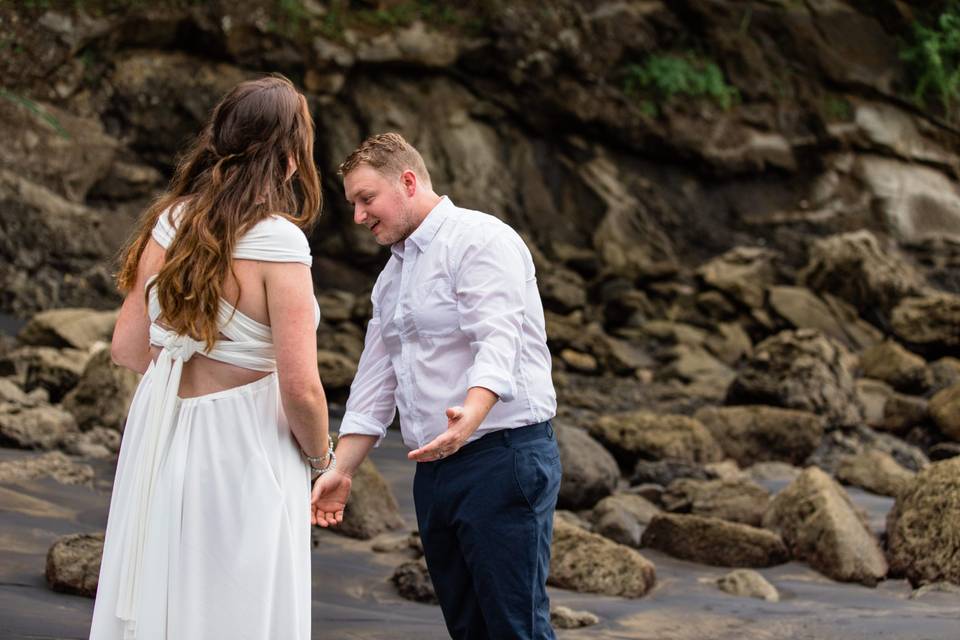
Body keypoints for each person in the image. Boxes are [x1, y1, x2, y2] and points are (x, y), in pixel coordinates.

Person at [90, 75, 332, 640]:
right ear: (291, 156)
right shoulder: (280, 242)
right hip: (244, 445)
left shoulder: (170, 221)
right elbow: (302, 389)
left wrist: (186, 356)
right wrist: (322, 463)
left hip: (162, 428)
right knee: (234, 608)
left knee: (162, 589)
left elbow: (127, 349)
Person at [312, 132, 561, 639]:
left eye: (366, 199)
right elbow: (374, 382)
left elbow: (499, 335)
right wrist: (341, 470)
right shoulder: (392, 276)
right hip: (434, 471)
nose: (358, 217)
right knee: (467, 629)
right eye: (353, 204)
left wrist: (471, 414)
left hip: (502, 457)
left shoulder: (480, 238)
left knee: (516, 630)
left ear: (407, 182)